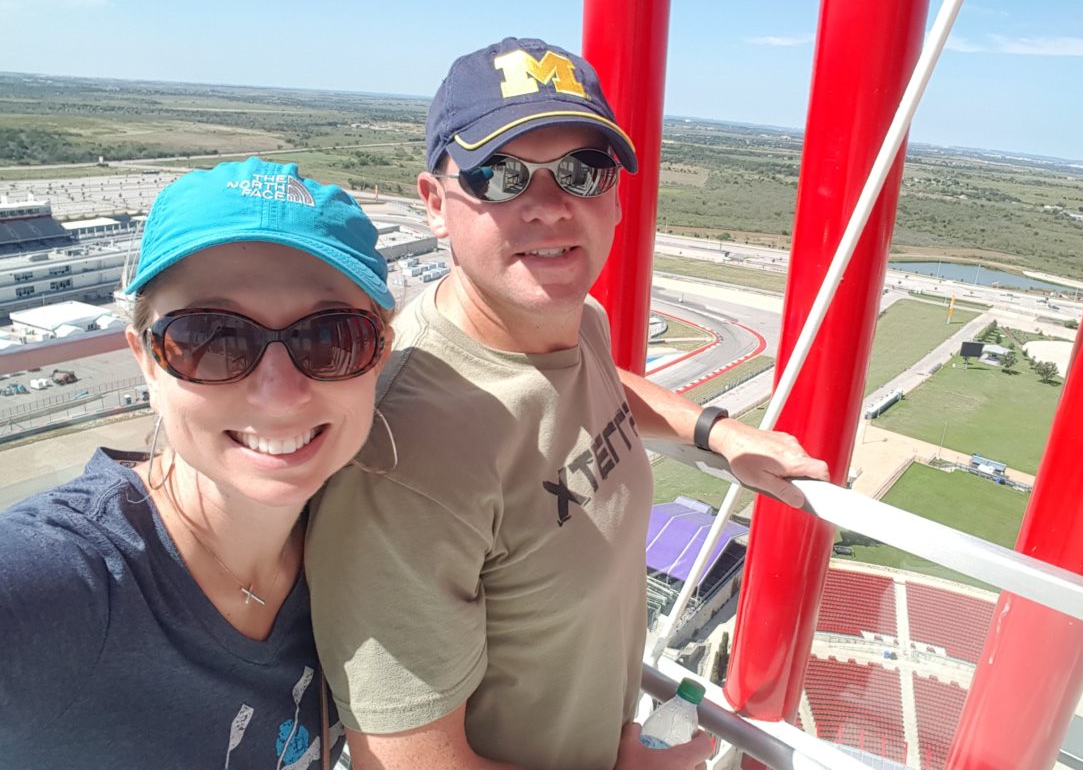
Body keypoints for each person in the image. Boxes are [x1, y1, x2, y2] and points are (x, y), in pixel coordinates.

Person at [306, 37, 829, 770]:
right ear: (434, 203)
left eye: (584, 172)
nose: (551, 207)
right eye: (501, 175)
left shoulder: (577, 323)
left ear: (614, 197)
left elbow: (599, 384)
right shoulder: (405, 456)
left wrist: (716, 431)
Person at [0, 158, 395, 768]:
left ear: (380, 354)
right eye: (212, 338)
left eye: (331, 337)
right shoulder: (66, 584)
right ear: (146, 362)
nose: (278, 393)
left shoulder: (363, 539)